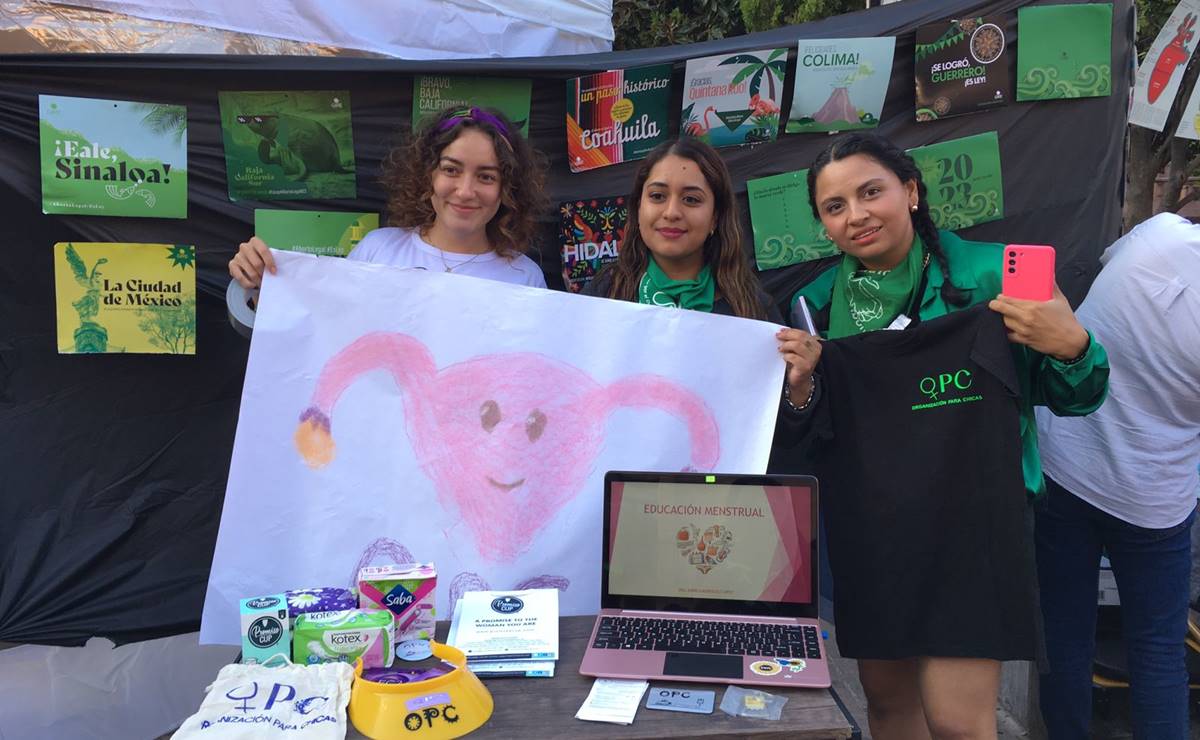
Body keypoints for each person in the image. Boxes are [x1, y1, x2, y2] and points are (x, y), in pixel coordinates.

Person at [775, 132, 1109, 740]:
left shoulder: (994, 274)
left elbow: (1078, 396)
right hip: (872, 531)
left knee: (959, 724)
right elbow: (808, 430)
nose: (857, 215)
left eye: (871, 192)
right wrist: (800, 386)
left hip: (972, 528)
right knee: (888, 707)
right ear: (823, 225)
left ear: (910, 191)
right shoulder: (814, 306)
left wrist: (1073, 346)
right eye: (835, 206)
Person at [1034, 212, 1200, 740]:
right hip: (1156, 497)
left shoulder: (1162, 233)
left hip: (1065, 463)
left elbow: (1108, 266)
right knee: (1158, 650)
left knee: (1064, 636)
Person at [228, 105, 547, 289]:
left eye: (486, 176)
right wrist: (262, 279)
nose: (465, 191)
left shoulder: (525, 277)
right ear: (428, 174)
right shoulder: (377, 251)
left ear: (508, 188)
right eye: (451, 170)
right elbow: (324, 326)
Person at [584, 137, 781, 322]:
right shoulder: (606, 292)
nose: (671, 213)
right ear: (638, 207)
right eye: (657, 196)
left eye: (691, 199)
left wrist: (806, 358)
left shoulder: (750, 306)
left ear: (715, 217)